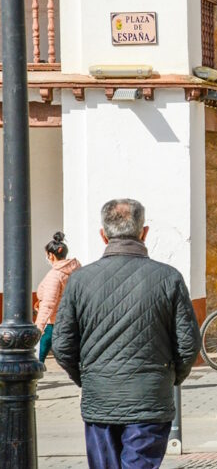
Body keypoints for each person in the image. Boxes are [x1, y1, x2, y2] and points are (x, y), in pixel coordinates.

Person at [52, 199, 201, 469]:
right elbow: (188, 344)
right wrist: (169, 378)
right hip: (150, 399)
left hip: (101, 401)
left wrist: (87, 377)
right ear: (143, 232)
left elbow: (62, 345)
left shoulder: (79, 281)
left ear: (103, 234)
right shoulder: (169, 278)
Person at [34, 232, 81, 363]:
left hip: (53, 320)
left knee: (40, 354)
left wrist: (39, 326)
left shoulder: (55, 275)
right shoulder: (77, 270)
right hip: (72, 317)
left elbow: (49, 303)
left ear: (51, 255)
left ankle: (32, 378)